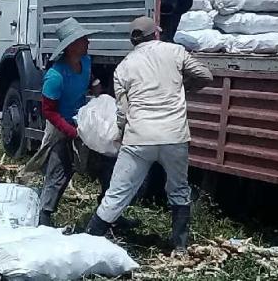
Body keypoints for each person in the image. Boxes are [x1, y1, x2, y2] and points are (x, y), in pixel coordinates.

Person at [85, 17, 213, 254]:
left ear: (133, 41)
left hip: (139, 138)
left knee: (118, 192)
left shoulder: (123, 67)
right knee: (178, 189)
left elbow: (122, 111)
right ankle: (180, 247)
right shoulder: (175, 51)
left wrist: (121, 134)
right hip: (174, 136)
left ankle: (89, 241)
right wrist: (183, 89)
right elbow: (205, 75)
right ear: (156, 34)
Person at [24, 17, 133, 229]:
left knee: (108, 167)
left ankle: (110, 215)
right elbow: (49, 111)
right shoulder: (55, 76)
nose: (88, 43)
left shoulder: (84, 62)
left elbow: (90, 78)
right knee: (58, 173)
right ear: (72, 45)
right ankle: (44, 219)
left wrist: (98, 91)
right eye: (84, 40)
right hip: (63, 129)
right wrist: (70, 132)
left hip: (84, 124)